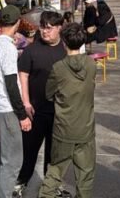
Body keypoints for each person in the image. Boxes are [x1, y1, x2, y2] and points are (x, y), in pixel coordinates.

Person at [39, 23, 96, 198]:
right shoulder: (91, 64)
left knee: (55, 170)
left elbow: (49, 93)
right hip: (85, 127)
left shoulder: (59, 67)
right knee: (85, 175)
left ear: (64, 42)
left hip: (64, 127)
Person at [15, 11, 68, 197]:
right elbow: (23, 76)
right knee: (29, 151)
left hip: (58, 113)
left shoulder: (66, 50)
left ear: (59, 28)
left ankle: (52, 185)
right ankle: (21, 183)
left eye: (49, 28)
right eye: (43, 27)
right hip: (35, 111)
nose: (45, 31)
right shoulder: (31, 50)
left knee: (54, 154)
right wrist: (26, 102)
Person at [0, 5, 32, 198]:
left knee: (4, 157)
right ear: (17, 23)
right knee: (13, 161)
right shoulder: (8, 48)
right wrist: (22, 115)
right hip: (8, 107)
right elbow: (12, 84)